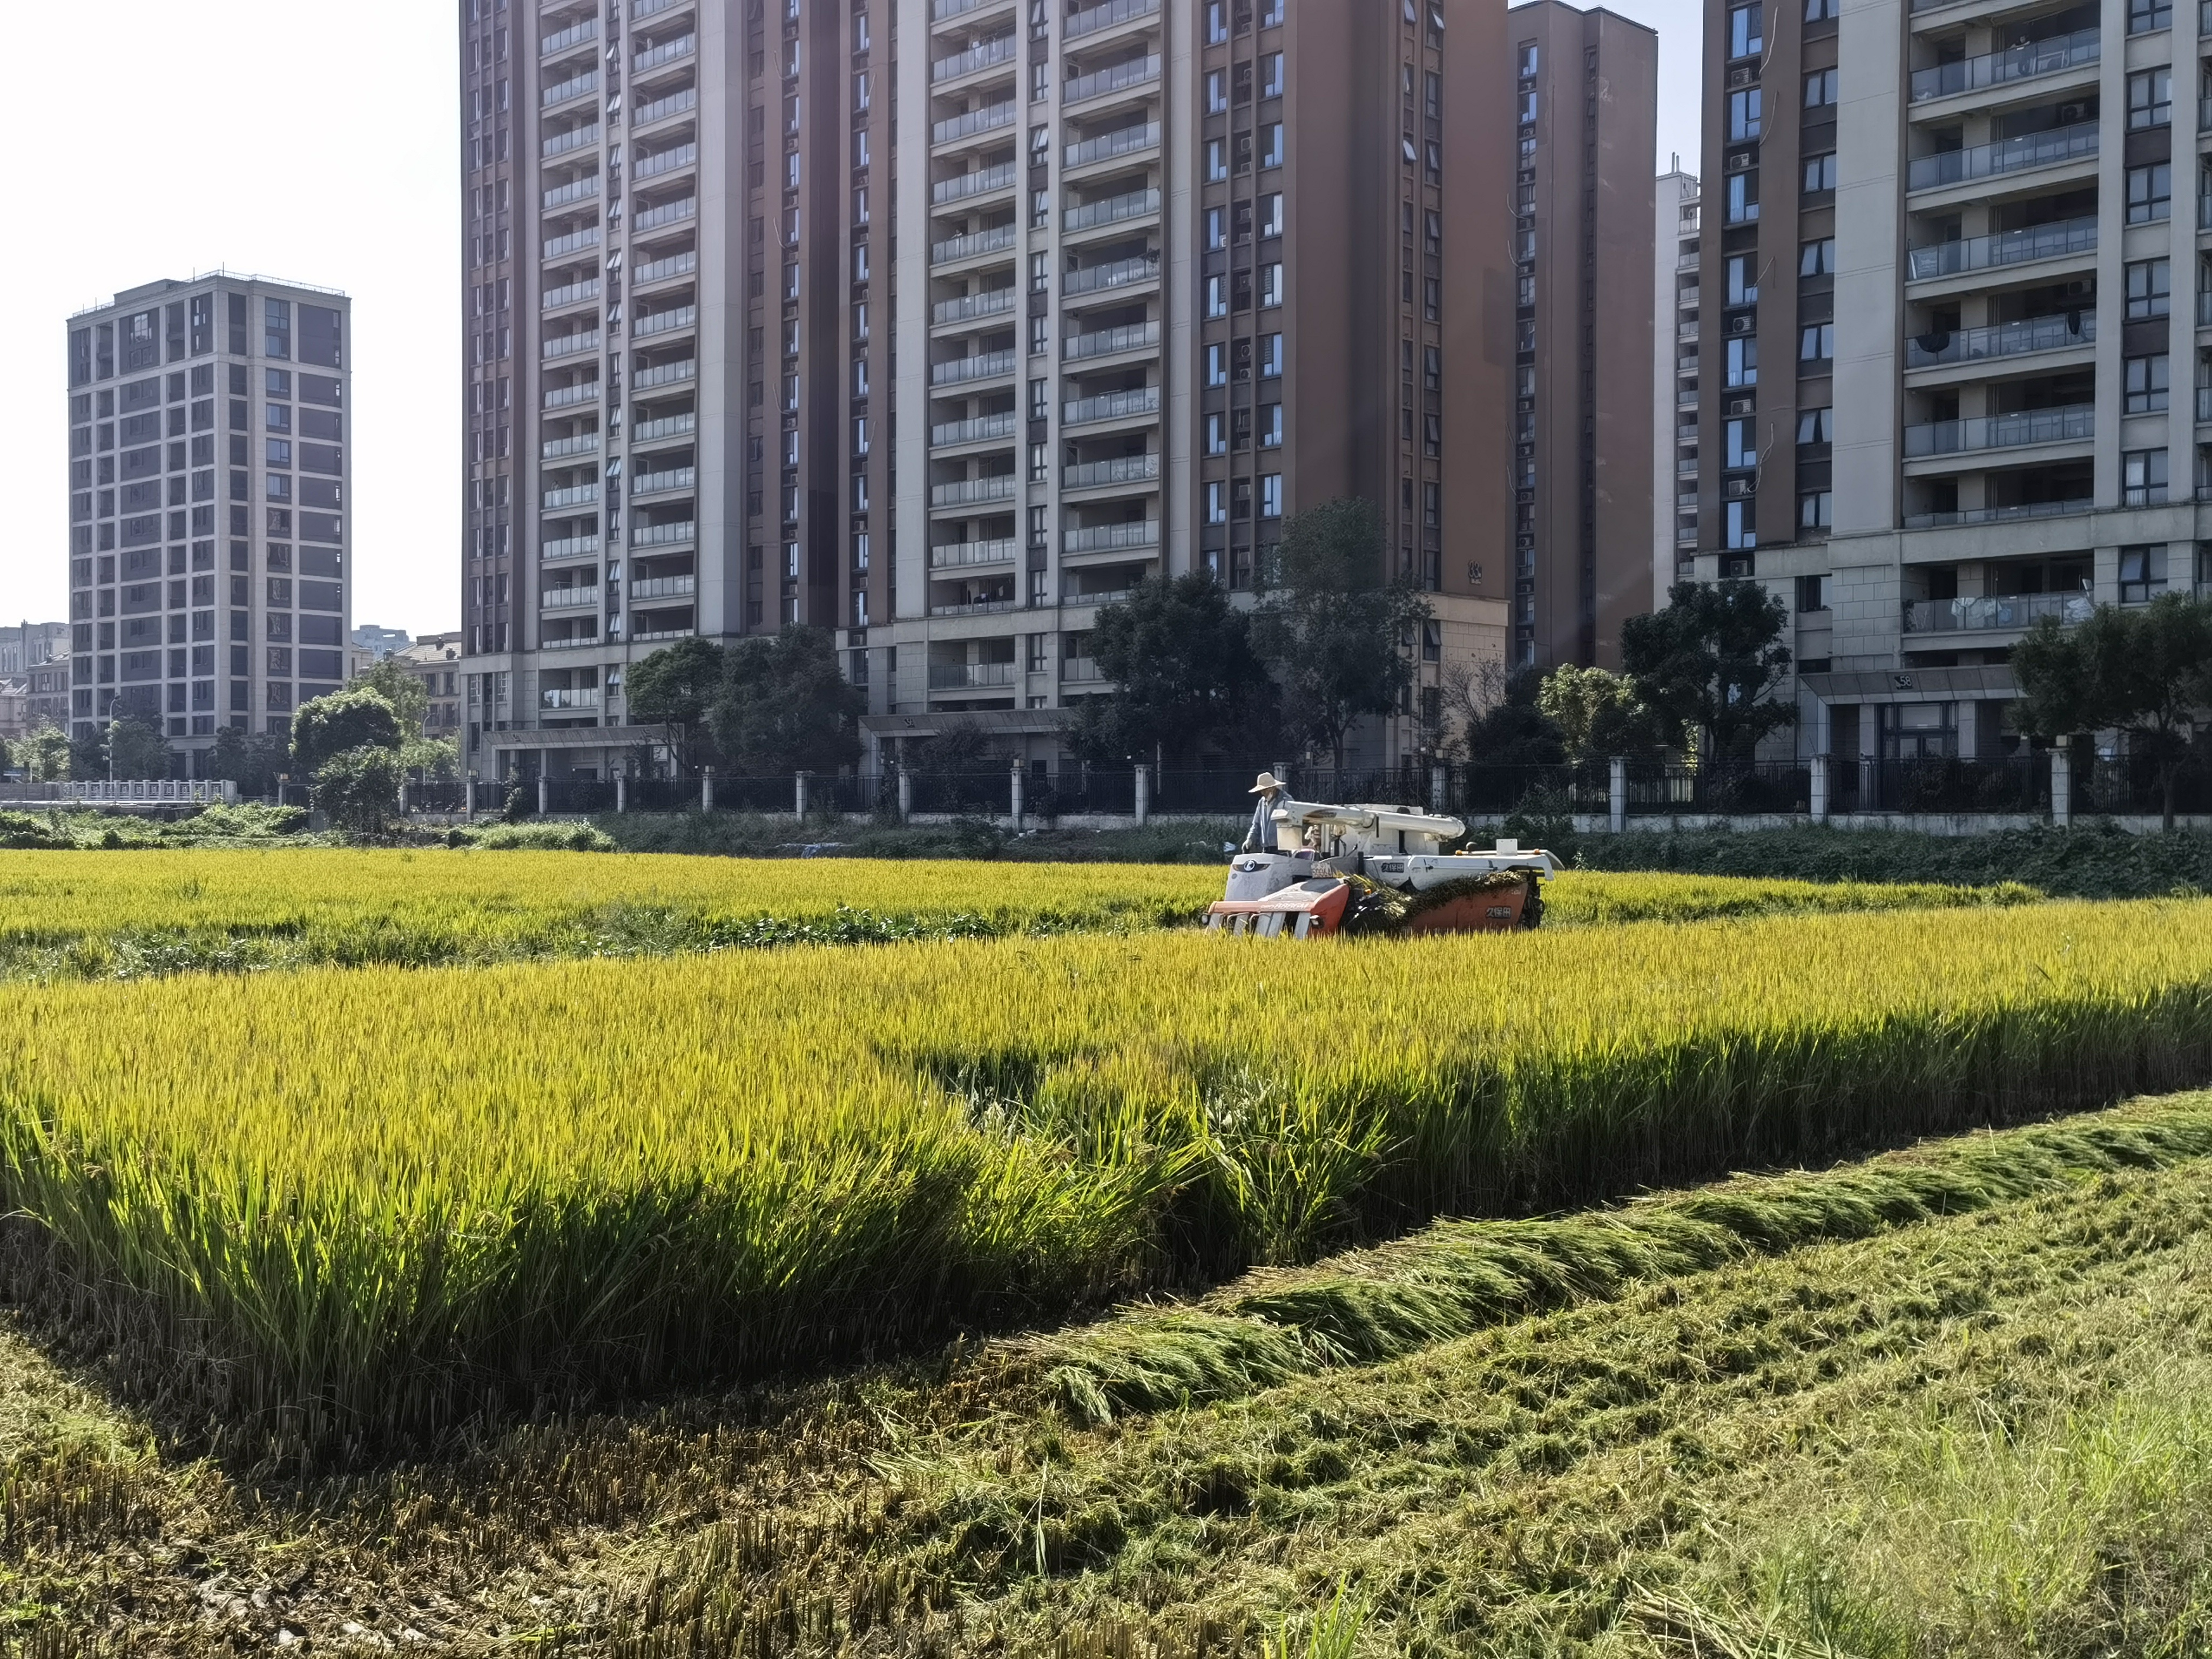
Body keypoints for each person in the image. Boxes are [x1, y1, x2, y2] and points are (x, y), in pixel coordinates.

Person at [1242, 771, 1287, 853]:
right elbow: (1256, 824)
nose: (1263, 793)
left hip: (1282, 849)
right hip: (1266, 848)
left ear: (1273, 787)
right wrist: (1249, 839)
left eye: (1265, 790)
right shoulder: (1262, 802)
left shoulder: (1286, 801)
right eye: (1261, 791)